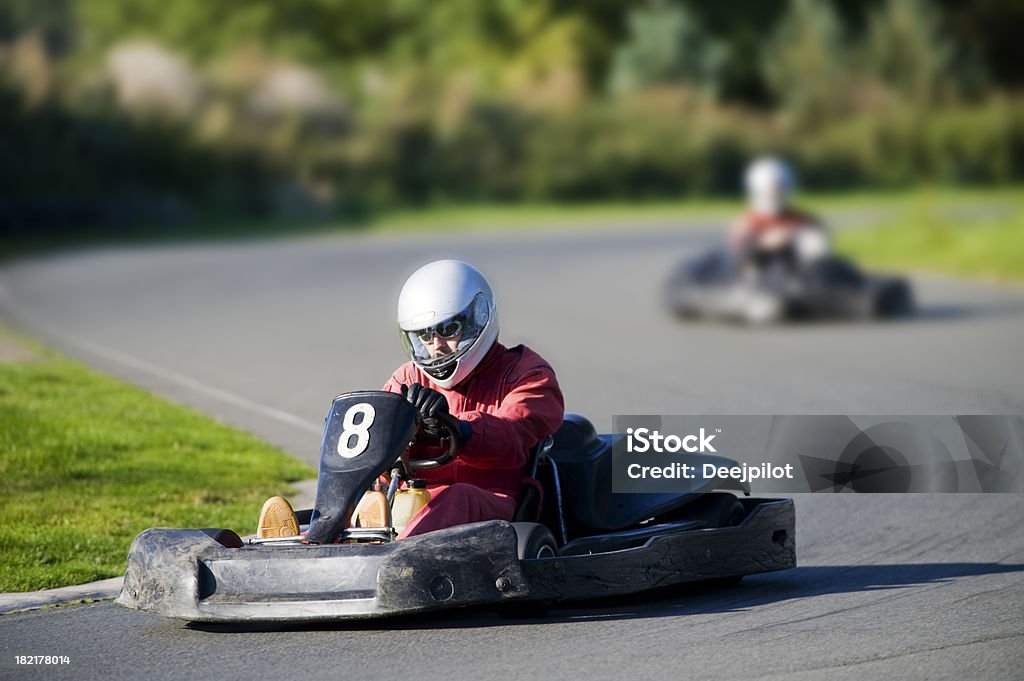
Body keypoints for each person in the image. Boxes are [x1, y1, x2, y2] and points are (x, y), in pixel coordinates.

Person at [257, 259, 564, 540]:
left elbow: (513, 432)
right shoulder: (408, 379)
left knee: (458, 497)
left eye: (447, 330)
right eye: (425, 336)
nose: (436, 347)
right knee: (364, 497)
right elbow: (371, 434)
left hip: (490, 502)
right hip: (408, 499)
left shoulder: (527, 373)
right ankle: (311, 541)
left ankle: (388, 557)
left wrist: (458, 428)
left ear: (478, 317)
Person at [727, 156, 828, 273]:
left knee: (812, 240)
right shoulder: (747, 222)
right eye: (772, 189)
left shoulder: (799, 218)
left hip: (797, 271)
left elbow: (819, 238)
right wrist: (764, 244)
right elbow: (738, 248)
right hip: (762, 271)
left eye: (780, 188)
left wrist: (796, 236)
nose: (776, 193)